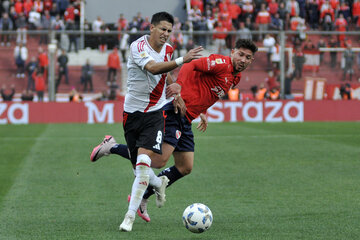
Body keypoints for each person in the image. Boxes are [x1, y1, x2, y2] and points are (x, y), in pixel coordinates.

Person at [90, 39, 256, 227]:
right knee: (158, 160)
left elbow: (207, 88)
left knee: (185, 166)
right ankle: (111, 147)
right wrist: (178, 88)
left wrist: (203, 111)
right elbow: (191, 65)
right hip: (175, 110)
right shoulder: (221, 63)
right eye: (240, 54)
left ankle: (144, 196)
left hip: (188, 117)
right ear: (233, 52)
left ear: (251, 61)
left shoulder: (235, 77)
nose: (243, 59)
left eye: (248, 57)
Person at [90, 11, 203, 232]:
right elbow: (152, 67)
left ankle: (129, 217)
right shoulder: (138, 47)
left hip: (155, 113)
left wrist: (176, 94)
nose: (166, 34)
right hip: (132, 114)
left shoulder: (169, 50)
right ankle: (150, 178)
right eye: (162, 29)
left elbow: (165, 71)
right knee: (139, 168)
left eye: (169, 31)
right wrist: (183, 60)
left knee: (145, 163)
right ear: (151, 28)